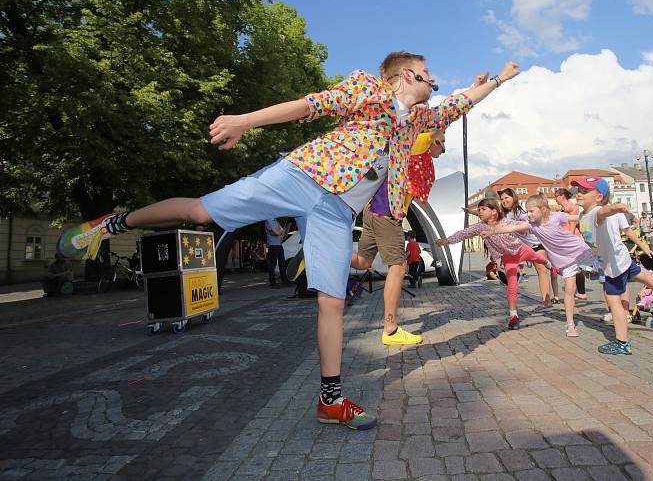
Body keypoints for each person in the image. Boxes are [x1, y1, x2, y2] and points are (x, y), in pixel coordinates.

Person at [59, 50, 521, 430]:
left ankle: (331, 400)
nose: (433, 86)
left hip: (336, 211)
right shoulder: (369, 92)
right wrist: (243, 121)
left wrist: (498, 79)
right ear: (407, 75)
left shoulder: (411, 123)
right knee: (200, 211)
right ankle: (114, 224)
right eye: (429, 79)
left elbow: (459, 106)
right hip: (303, 176)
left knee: (332, 300)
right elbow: (308, 105)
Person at [350, 120, 452, 346]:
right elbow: (440, 122)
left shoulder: (417, 151)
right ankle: (391, 329)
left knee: (362, 261)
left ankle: (323, 254)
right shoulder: (417, 144)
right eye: (442, 143)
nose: (443, 149)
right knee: (398, 267)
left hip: (373, 209)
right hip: (386, 211)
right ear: (433, 138)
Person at [573, 176, 653, 355]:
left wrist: (617, 207)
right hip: (619, 258)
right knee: (642, 274)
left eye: (584, 191)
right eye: (579, 190)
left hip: (613, 265)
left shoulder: (598, 212)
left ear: (599, 197)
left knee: (613, 301)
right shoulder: (583, 214)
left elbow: (606, 213)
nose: (578, 194)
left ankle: (622, 342)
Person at [481, 194, 603, 338]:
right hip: (565, 260)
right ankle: (570, 325)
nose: (528, 214)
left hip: (581, 251)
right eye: (527, 211)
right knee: (570, 289)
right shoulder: (531, 225)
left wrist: (598, 215)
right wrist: (492, 231)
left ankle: (618, 309)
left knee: (605, 279)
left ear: (543, 209)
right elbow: (512, 228)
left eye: (531, 211)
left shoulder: (556, 217)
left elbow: (576, 218)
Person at [436, 198, 548, 330]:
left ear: (494, 211)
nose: (480, 212)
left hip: (520, 249)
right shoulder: (481, 227)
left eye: (483, 209)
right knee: (512, 284)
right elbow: (463, 233)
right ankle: (513, 316)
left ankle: (548, 263)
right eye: (479, 210)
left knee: (537, 258)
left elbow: (522, 225)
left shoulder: (505, 221)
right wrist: (447, 241)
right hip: (508, 258)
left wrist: (535, 224)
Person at [554, 188, 587, 300]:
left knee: (575, 266)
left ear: (562, 196)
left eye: (556, 196)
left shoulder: (572, 206)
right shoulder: (566, 208)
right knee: (570, 266)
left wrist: (569, 239)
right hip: (567, 237)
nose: (555, 198)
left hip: (572, 237)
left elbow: (572, 224)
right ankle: (576, 291)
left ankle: (581, 292)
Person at [264, 218, 289, 287]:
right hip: (272, 245)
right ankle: (272, 282)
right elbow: (277, 233)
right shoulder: (268, 221)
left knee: (282, 263)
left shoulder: (275, 220)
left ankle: (284, 280)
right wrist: (278, 232)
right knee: (273, 264)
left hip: (279, 244)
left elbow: (282, 231)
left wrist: (278, 232)